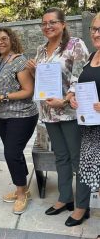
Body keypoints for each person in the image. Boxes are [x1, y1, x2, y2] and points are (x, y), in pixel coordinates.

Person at [27, 7, 90, 227]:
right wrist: (35, 71)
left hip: (70, 111)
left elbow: (80, 75)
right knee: (60, 157)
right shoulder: (41, 50)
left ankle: (82, 206)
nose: (47, 27)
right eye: (44, 23)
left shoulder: (76, 45)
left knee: (77, 159)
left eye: (52, 22)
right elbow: (42, 82)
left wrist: (64, 100)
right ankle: (65, 198)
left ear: (63, 24)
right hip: (49, 113)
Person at [0, 27, 38, 215]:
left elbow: (28, 90)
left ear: (12, 40)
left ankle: (21, 193)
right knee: (14, 153)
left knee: (11, 152)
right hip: (2, 116)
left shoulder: (20, 61)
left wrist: (4, 96)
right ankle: (23, 189)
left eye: (4, 39)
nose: (0, 42)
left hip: (22, 115)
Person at [70, 13, 100, 229]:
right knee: (93, 176)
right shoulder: (92, 56)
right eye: (94, 28)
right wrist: (74, 98)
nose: (96, 33)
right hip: (90, 127)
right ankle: (84, 208)